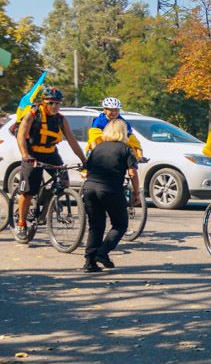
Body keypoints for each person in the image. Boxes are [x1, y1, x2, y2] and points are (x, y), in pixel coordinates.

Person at [15, 86, 87, 239]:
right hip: (32, 154)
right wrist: (26, 155)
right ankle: (21, 223)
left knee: (64, 182)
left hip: (50, 154)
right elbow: (20, 136)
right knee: (27, 192)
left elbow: (73, 141)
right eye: (51, 103)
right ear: (43, 102)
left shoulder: (61, 119)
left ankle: (45, 204)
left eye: (57, 103)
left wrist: (84, 160)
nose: (54, 106)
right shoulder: (32, 114)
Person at [80, 119, 140, 272]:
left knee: (96, 225)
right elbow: (132, 173)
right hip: (110, 189)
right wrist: (136, 192)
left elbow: (87, 167)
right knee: (120, 224)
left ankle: (89, 262)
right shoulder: (126, 149)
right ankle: (103, 252)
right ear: (123, 132)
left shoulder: (97, 148)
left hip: (90, 188)